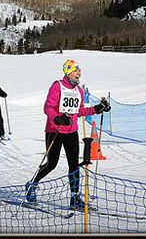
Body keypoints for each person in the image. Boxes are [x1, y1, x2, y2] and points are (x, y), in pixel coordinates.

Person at [25, 59, 111, 210]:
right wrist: (57, 117)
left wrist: (97, 108)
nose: (79, 73)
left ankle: (74, 198)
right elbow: (48, 107)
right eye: (76, 70)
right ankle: (32, 185)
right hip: (55, 130)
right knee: (52, 163)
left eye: (79, 70)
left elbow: (79, 111)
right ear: (68, 72)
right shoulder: (57, 86)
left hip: (71, 131)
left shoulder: (79, 91)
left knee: (74, 165)